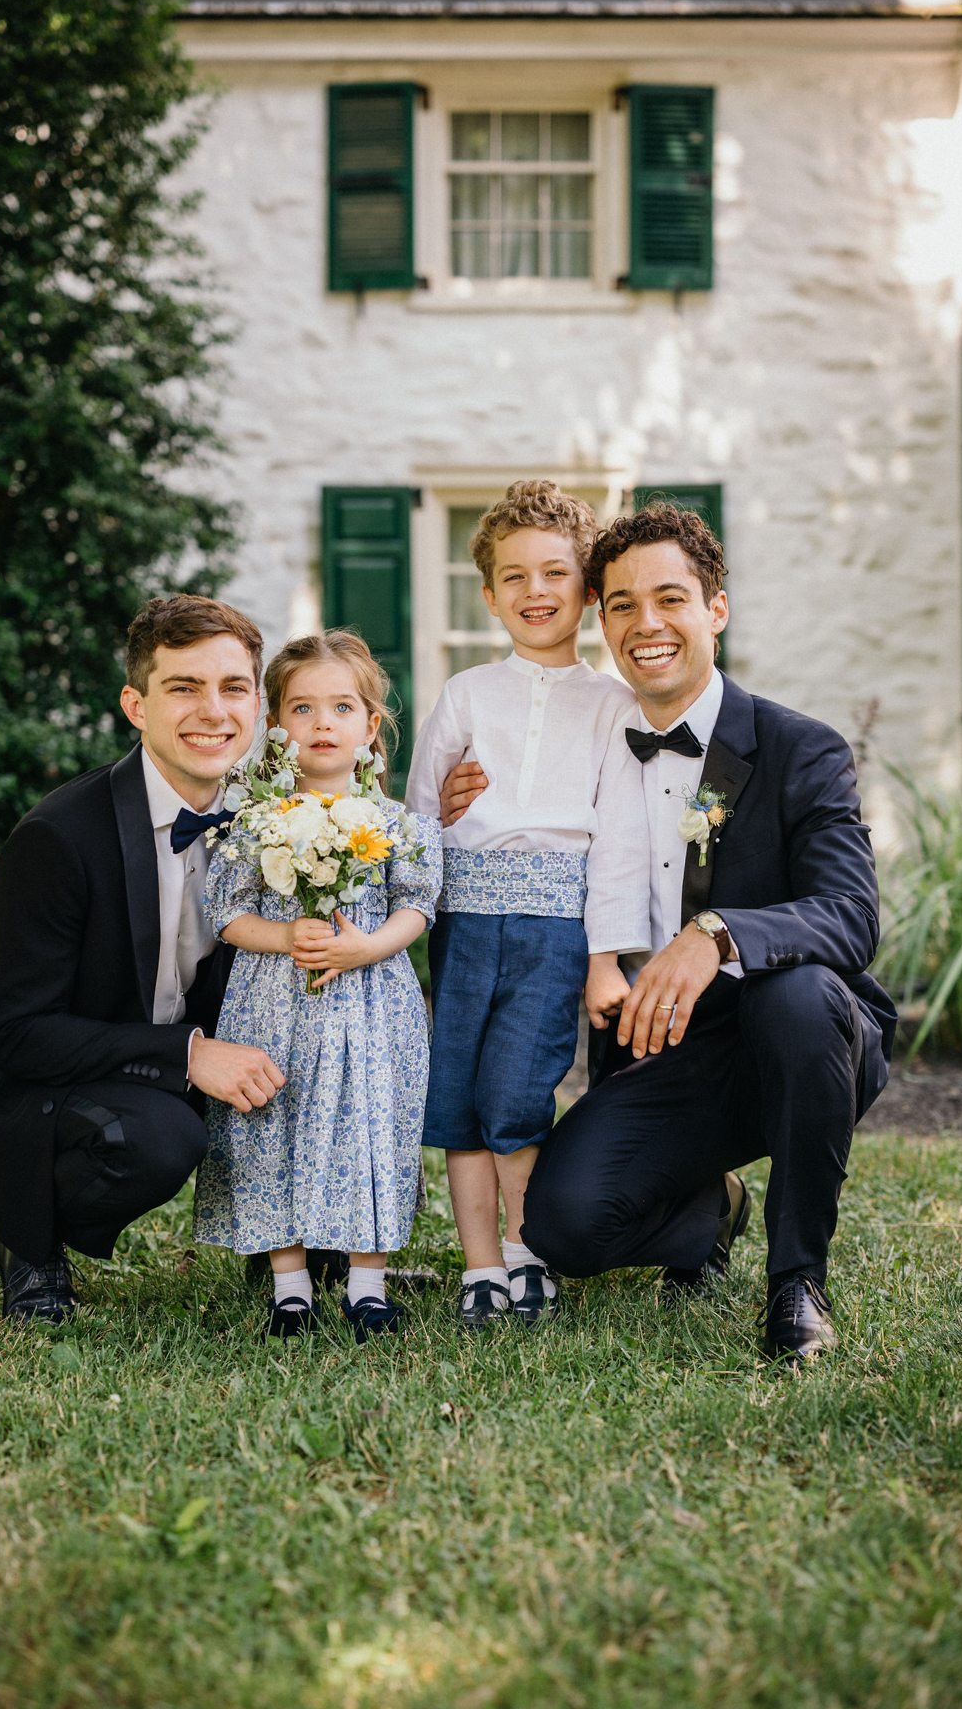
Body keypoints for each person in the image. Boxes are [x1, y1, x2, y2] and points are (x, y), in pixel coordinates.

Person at [438, 503, 895, 1362]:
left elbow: (851, 915)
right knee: (564, 1227)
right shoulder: (588, 729)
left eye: (670, 599)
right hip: (664, 1048)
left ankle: (798, 1285)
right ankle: (710, 1210)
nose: (646, 624)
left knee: (793, 998)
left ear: (715, 609)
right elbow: (509, 812)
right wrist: (451, 805)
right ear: (599, 618)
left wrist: (715, 935)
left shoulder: (800, 749)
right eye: (620, 604)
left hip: (800, 1036)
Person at [0, 595, 286, 1325]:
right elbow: (20, 1036)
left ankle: (306, 1253)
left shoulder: (273, 819)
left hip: (188, 1050)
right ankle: (31, 1242)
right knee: (159, 1140)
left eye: (233, 688)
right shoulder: (57, 837)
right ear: (136, 705)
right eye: (184, 687)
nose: (214, 710)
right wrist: (190, 1055)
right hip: (61, 1078)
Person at [405, 481, 650, 1329]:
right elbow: (416, 813)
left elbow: (618, 841)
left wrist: (605, 957)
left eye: (556, 573)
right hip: (464, 925)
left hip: (554, 930)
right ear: (488, 594)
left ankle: (527, 1252)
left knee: (516, 1096)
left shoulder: (613, 707)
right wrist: (437, 816)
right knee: (459, 1102)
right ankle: (480, 1268)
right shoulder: (468, 694)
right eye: (515, 577)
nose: (536, 592)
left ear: (587, 589)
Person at [192, 631, 442, 1343]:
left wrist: (366, 946)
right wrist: (282, 936)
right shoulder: (258, 821)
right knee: (273, 1119)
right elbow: (227, 912)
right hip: (274, 1000)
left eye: (340, 707)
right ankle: (290, 1285)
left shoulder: (399, 825)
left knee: (371, 1126)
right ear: (277, 727)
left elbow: (417, 907)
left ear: (369, 726)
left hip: (373, 1002)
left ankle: (367, 1284)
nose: (322, 723)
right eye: (302, 708)